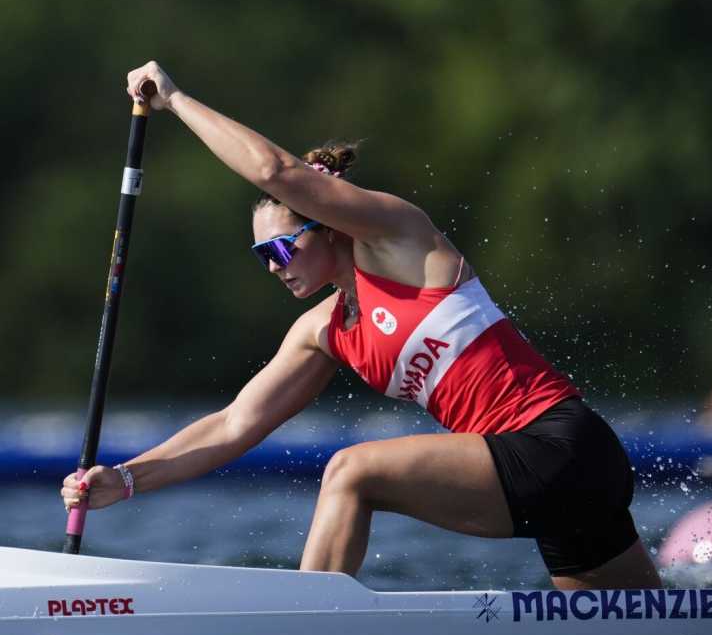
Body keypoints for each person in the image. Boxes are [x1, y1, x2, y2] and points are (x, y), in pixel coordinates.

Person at [61, 61, 662, 591]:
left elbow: (276, 171)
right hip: (547, 485)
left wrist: (176, 99)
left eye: (280, 250)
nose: (273, 269)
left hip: (560, 445)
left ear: (325, 224)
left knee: (352, 471)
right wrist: (126, 479)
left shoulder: (399, 240)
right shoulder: (321, 330)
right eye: (261, 258)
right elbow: (233, 425)